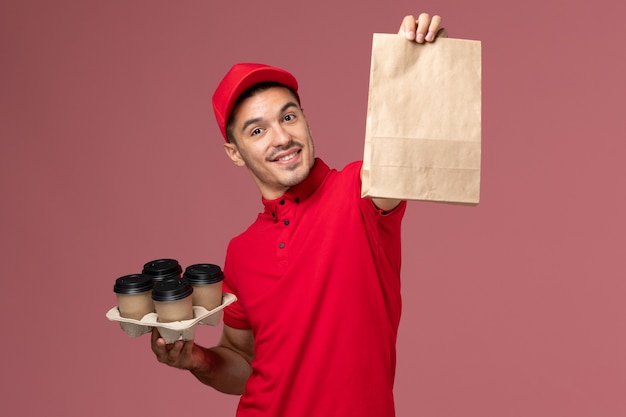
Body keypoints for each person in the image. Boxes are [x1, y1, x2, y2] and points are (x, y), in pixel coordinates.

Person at [151, 13, 445, 417]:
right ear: (235, 152)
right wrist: (197, 360)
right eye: (257, 131)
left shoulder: (360, 192)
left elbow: (400, 148)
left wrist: (411, 67)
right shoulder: (240, 251)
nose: (282, 137)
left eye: (288, 117)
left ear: (305, 119)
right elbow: (242, 363)